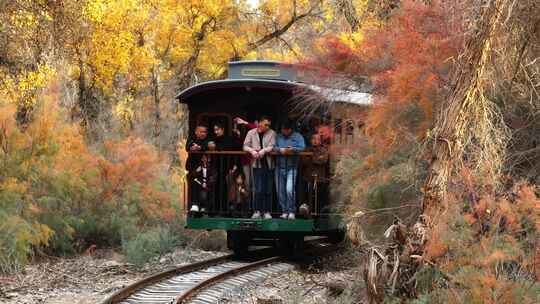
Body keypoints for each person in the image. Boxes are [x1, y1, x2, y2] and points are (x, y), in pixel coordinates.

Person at [243, 115, 276, 219]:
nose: (266, 127)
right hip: (256, 164)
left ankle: (267, 211)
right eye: (265, 124)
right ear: (260, 123)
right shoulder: (251, 132)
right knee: (258, 189)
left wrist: (264, 150)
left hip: (269, 164)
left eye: (268, 125)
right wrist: (252, 151)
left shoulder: (272, 133)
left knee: (268, 189)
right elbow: (245, 146)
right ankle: (257, 210)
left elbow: (272, 145)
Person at [274, 120, 306, 220]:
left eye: (286, 130)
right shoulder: (278, 136)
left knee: (289, 190)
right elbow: (273, 147)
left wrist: (293, 149)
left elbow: (302, 147)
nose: (284, 131)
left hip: (292, 168)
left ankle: (292, 211)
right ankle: (284, 211)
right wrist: (280, 150)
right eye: (283, 129)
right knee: (280, 191)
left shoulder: (298, 136)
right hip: (279, 167)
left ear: (290, 129)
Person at [300, 134, 329, 217]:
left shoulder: (324, 150)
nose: (315, 141)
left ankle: (317, 217)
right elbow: (304, 161)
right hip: (308, 177)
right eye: (313, 138)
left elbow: (323, 160)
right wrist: (316, 157)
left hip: (319, 178)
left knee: (318, 199)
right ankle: (306, 215)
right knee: (307, 197)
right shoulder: (307, 149)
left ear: (320, 141)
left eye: (317, 139)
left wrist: (312, 157)